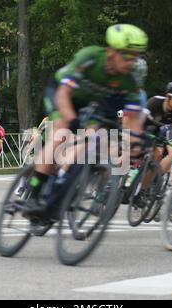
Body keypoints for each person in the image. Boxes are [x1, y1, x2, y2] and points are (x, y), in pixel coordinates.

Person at [22, 24, 149, 222]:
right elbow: (64, 93)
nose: (131, 62)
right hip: (61, 93)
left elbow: (133, 119)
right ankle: (35, 190)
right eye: (127, 56)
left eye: (136, 57)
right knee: (62, 131)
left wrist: (137, 141)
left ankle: (66, 183)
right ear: (112, 51)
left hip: (89, 105)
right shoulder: (89, 57)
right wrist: (71, 120)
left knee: (90, 142)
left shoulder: (129, 80)